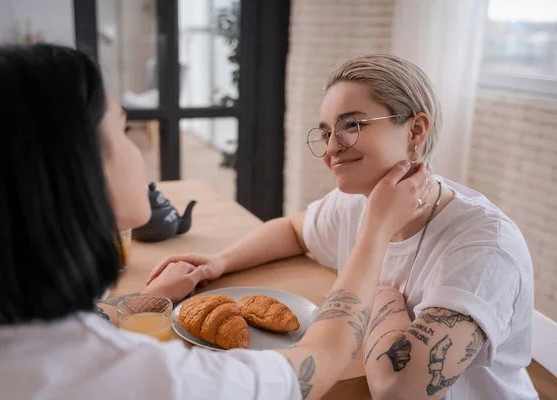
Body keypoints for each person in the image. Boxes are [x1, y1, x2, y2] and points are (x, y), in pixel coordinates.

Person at [0, 44, 429, 400]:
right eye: (122, 130)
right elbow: (320, 362)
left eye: (350, 125)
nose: (137, 150)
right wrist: (378, 230)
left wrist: (151, 298)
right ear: (75, 171)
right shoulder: (144, 380)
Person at [148, 55, 539, 399]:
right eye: (324, 131)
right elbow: (294, 231)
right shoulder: (357, 201)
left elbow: (398, 390)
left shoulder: (484, 248)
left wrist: (380, 295)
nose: (332, 146)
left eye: (350, 125)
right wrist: (220, 262)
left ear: (416, 131)